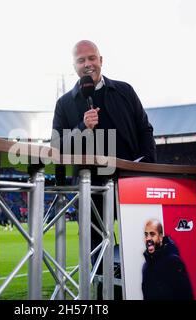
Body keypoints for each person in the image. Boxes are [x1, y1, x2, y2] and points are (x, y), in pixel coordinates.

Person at [50, 40, 157, 275]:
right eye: (81, 60)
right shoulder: (65, 103)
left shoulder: (124, 91)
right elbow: (56, 147)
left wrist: (147, 168)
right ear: (74, 66)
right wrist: (81, 127)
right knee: (96, 252)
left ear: (101, 60)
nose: (87, 64)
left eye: (91, 58)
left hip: (131, 182)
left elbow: (145, 130)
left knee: (139, 244)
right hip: (90, 189)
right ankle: (101, 294)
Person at [142, 219, 194, 300]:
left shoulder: (173, 262)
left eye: (152, 234)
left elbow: (186, 295)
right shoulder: (146, 266)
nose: (148, 238)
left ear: (160, 237)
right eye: (146, 235)